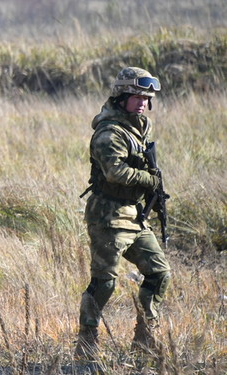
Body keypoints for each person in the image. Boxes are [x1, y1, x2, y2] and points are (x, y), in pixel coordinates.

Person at [75, 67, 170, 360]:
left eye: (147, 97)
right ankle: (86, 346)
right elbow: (115, 172)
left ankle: (144, 341)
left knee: (159, 273)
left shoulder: (140, 126)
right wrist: (150, 180)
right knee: (104, 283)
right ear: (122, 96)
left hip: (134, 214)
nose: (143, 102)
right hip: (108, 216)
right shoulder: (109, 131)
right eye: (137, 96)